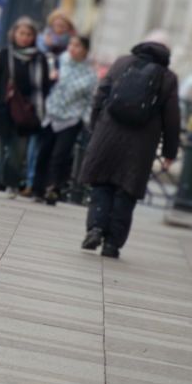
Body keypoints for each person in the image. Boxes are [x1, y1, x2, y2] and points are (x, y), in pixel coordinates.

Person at [79, 39, 180, 258]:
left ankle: (95, 227)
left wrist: (96, 125)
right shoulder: (168, 77)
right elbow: (172, 118)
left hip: (108, 133)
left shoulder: (121, 63)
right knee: (127, 191)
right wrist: (170, 152)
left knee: (101, 183)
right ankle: (112, 244)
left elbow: (100, 94)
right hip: (141, 143)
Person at [0, 17, 51, 197]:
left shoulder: (39, 59)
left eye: (29, 34)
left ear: (34, 37)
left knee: (17, 152)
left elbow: (44, 87)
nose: (25, 37)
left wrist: (38, 110)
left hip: (25, 114)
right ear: (14, 34)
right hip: (1, 110)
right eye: (21, 33)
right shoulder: (5, 54)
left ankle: (11, 183)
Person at [31, 32, 94, 204]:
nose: (73, 49)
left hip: (71, 119)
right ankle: (37, 189)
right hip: (51, 114)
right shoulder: (58, 62)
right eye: (71, 45)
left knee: (60, 155)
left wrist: (85, 120)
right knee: (44, 152)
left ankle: (53, 188)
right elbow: (43, 84)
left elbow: (90, 100)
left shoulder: (89, 74)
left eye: (78, 46)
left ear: (85, 51)